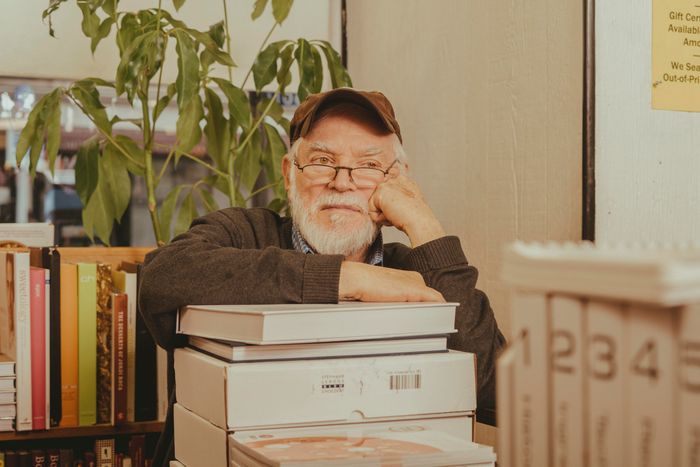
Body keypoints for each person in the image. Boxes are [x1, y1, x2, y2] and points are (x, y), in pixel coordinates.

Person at [139, 88, 506, 466]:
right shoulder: (242, 233)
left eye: (367, 165)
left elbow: (489, 386)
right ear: (288, 174)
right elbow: (161, 279)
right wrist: (347, 279)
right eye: (322, 160)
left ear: (396, 179)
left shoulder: (415, 273)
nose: (342, 182)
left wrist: (424, 223)